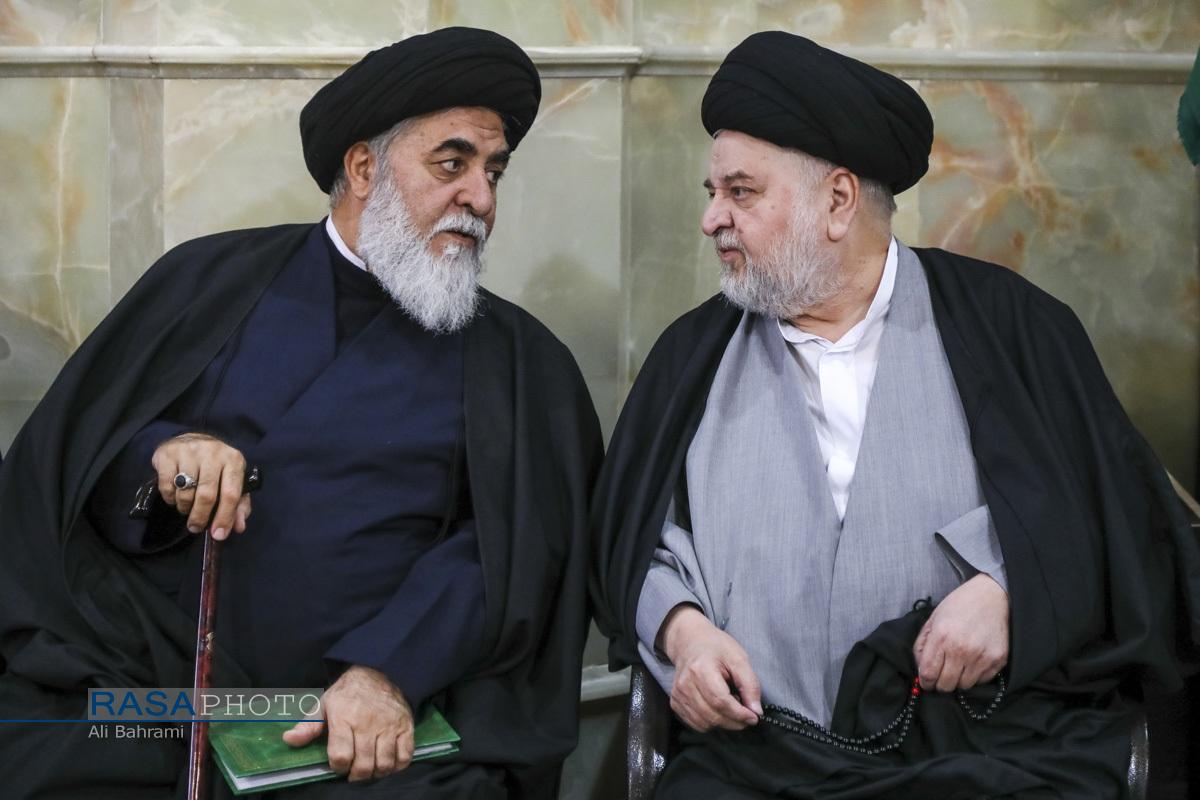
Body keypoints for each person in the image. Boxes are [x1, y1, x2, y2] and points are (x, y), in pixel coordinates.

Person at [591, 31, 1200, 799]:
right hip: (757, 761)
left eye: (740, 193)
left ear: (838, 202)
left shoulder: (1011, 326)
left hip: (980, 748)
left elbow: (1119, 520)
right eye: (712, 193)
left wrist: (1010, 589)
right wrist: (684, 633)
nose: (712, 219)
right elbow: (635, 545)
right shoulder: (691, 357)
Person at [0, 27, 602, 799]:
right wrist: (163, 456)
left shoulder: (520, 363)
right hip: (152, 693)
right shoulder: (205, 283)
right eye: (452, 164)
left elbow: (511, 555)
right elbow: (71, 459)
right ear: (363, 169)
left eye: (493, 172)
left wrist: (388, 670)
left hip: (358, 723)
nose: (480, 199)